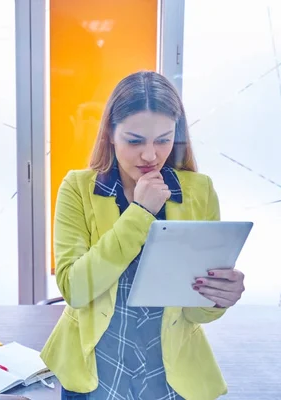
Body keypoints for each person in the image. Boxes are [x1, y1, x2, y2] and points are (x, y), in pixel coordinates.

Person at [40, 71, 246, 400]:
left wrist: (219, 297)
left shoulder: (199, 191)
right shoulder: (78, 188)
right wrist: (141, 212)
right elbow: (76, 289)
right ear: (110, 133)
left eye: (163, 140)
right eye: (135, 140)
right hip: (96, 371)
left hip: (168, 375)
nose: (150, 155)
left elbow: (194, 312)